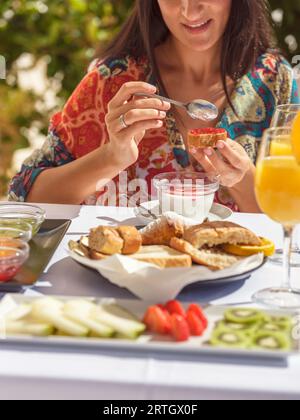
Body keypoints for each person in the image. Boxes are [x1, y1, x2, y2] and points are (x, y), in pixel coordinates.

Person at [9, 0, 299, 211]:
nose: (189, 10)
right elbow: (26, 198)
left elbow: (292, 223)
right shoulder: (113, 81)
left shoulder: (276, 82)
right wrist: (112, 156)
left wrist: (242, 179)